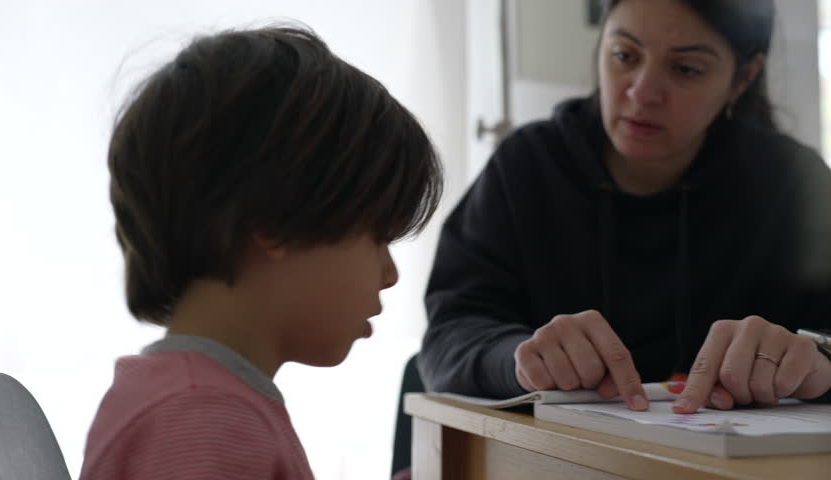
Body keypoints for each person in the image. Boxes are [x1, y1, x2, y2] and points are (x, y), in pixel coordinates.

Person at [419, 0, 831, 416]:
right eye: (624, 56)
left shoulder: (795, 184)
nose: (642, 91)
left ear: (742, 79)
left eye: (686, 69)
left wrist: (819, 360)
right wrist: (520, 358)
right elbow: (450, 334)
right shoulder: (527, 166)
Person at [80, 25, 442, 479]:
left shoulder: (196, 399)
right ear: (275, 223)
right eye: (379, 237)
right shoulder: (200, 419)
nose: (390, 275)